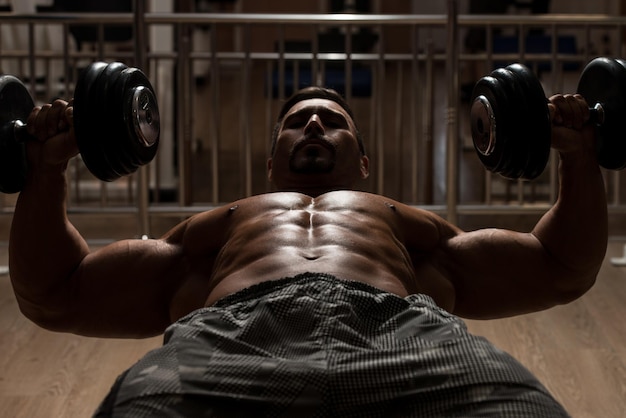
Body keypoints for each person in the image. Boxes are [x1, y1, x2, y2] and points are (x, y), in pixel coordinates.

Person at [9, 86, 606, 417]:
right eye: (298, 122)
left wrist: (579, 156)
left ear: (364, 164)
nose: (315, 125)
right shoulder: (223, 226)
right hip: (232, 340)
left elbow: (559, 267)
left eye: (332, 121)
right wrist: (46, 170)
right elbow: (57, 293)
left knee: (526, 410)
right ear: (271, 163)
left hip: (401, 336)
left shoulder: (400, 222)